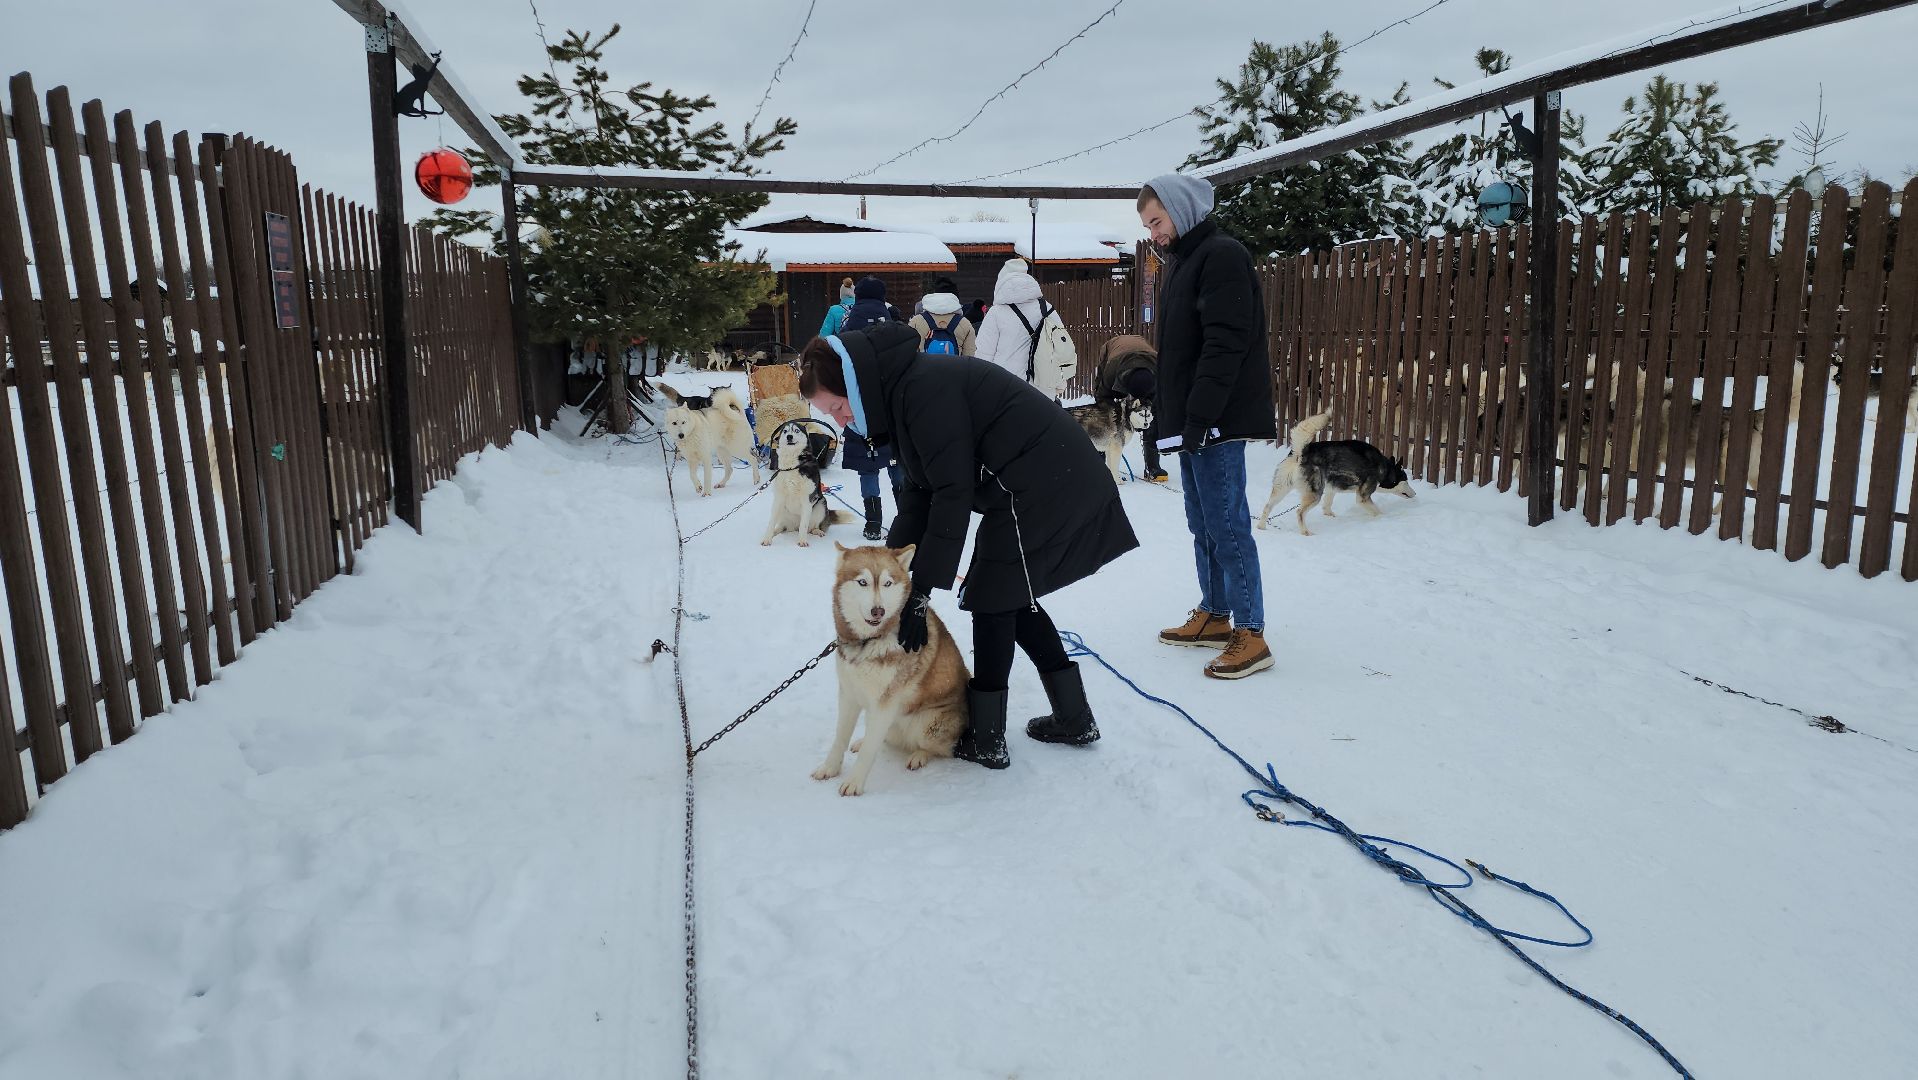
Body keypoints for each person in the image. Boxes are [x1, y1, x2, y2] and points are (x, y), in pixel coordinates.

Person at [800, 324, 1138, 768]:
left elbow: (951, 494)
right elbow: (922, 491)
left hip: (1045, 483)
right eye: (831, 414)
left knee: (993, 597)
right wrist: (893, 570)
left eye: (839, 407)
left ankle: (986, 736)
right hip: (1036, 483)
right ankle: (1073, 717)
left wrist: (919, 595)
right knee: (1011, 597)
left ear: (855, 386)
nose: (842, 421)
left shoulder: (921, 392)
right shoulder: (901, 393)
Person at [1139, 172, 1275, 680]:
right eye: (1148, 226)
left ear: (1181, 209)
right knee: (1201, 521)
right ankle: (1215, 615)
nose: (1153, 233)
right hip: (1194, 418)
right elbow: (1178, 352)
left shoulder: (1222, 256)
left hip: (1219, 417)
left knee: (1228, 523)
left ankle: (1251, 632)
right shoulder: (1182, 262)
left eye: (1156, 221)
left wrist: (1200, 415)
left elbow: (1225, 345)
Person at [837, 277, 903, 539]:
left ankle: (873, 522)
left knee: (868, 467)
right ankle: (905, 518)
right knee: (897, 464)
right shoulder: (895, 326)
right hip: (890, 408)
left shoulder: (847, 327)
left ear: (858, 296)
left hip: (859, 407)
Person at [975, 258, 1073, 399]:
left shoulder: (996, 313)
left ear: (1001, 283)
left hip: (1006, 390)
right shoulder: (1047, 309)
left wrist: (982, 388)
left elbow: (984, 355)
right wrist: (1060, 382)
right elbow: (1061, 347)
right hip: (1043, 389)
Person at [1095, 333, 1166, 481]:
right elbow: (1102, 398)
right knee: (1104, 412)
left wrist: (1144, 421)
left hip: (1145, 356)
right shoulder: (1111, 371)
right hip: (1115, 352)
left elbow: (1159, 408)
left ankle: (1152, 467)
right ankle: (1099, 462)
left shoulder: (1160, 370)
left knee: (1153, 417)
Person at [908, 286, 977, 356]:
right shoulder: (964, 323)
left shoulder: (916, 321)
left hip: (924, 366)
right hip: (954, 366)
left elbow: (909, 353)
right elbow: (970, 356)